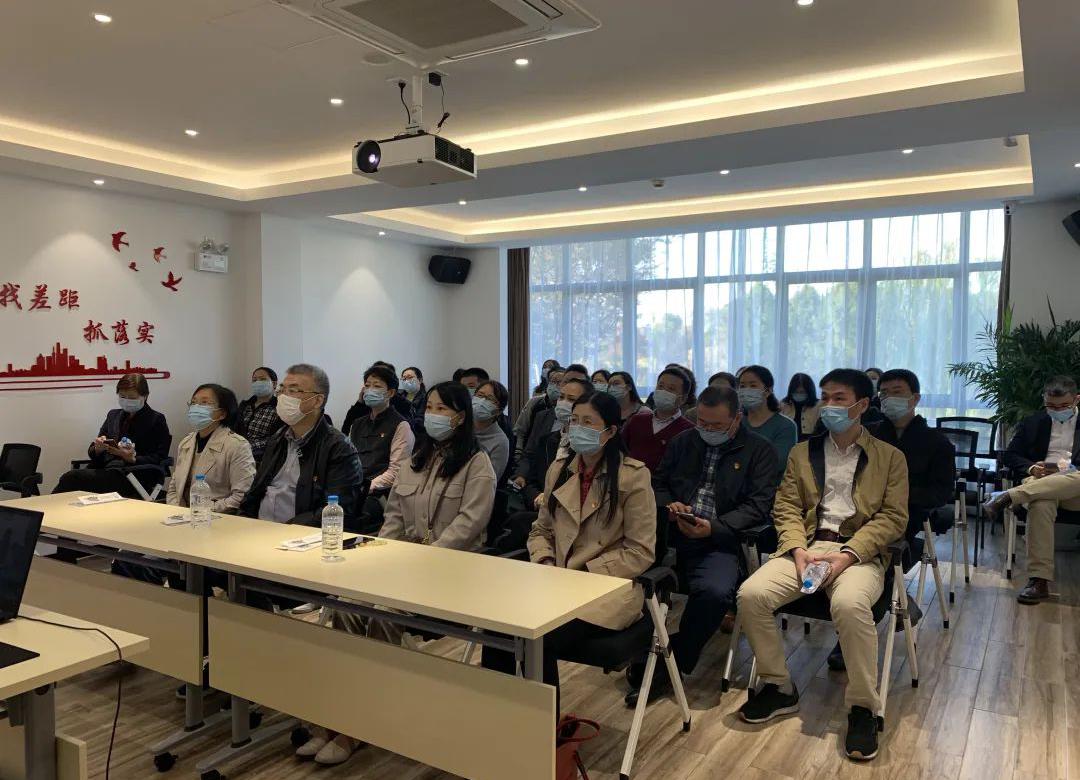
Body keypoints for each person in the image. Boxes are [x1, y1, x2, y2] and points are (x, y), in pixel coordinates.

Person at [735, 369, 908, 762]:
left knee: (849, 604)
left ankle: (863, 707)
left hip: (858, 553)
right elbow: (786, 506)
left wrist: (846, 555)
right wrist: (797, 550)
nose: (828, 405)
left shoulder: (890, 457)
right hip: (807, 547)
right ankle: (779, 686)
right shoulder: (802, 452)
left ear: (862, 405)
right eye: (825, 397)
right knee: (751, 595)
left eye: (839, 398)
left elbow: (893, 518)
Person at [481, 392, 656, 713]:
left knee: (538, 637)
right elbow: (541, 530)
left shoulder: (633, 476)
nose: (577, 428)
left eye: (588, 422)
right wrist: (546, 561)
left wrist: (584, 574)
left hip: (605, 589)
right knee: (497, 627)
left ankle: (543, 730)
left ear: (611, 431)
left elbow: (640, 551)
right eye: (574, 421)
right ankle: (498, 717)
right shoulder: (560, 469)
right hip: (553, 581)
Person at [625, 386, 778, 705]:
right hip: (670, 531)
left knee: (714, 592)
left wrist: (715, 528)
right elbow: (657, 484)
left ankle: (671, 663)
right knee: (629, 576)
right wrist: (671, 504)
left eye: (716, 425)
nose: (707, 430)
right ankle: (641, 652)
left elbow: (758, 506)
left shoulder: (759, 451)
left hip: (719, 539)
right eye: (702, 423)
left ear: (736, 419)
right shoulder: (684, 441)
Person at [983, 375, 1080, 604]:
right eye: (1051, 406)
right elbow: (1010, 455)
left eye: (1063, 406)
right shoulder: (1034, 422)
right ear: (1044, 400)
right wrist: (1032, 468)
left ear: (1077, 400)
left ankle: (1008, 496)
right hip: (1039, 483)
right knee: (1041, 504)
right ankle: (1039, 580)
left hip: (1075, 489)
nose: (1057, 411)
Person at [239, 364, 363, 526]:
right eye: (282, 390)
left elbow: (336, 510)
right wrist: (242, 520)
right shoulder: (277, 439)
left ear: (317, 400)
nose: (283, 397)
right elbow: (255, 492)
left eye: (293, 390)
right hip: (259, 528)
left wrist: (287, 529)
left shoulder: (338, 447)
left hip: (299, 533)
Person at [379, 381, 497, 550]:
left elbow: (470, 522)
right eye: (429, 407)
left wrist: (431, 553)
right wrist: (383, 550)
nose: (432, 414)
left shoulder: (477, 462)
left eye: (441, 409)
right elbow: (394, 516)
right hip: (410, 554)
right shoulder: (415, 459)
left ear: (461, 417)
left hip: (455, 557)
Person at [496, 379, 594, 552]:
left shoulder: (587, 446)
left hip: (570, 516)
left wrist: (550, 500)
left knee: (519, 524)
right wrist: (536, 497)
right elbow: (530, 479)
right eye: (561, 397)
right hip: (541, 512)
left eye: (571, 399)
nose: (563, 402)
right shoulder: (548, 441)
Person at [873, 369, 955, 560]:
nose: (889, 398)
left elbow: (941, 492)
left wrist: (896, 497)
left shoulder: (938, 443)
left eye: (897, 392)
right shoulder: (869, 435)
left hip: (910, 510)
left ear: (915, 398)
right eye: (884, 394)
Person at [54, 373, 172, 496]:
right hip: (106, 470)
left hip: (134, 476)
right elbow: (93, 451)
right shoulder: (113, 416)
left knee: (72, 478)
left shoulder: (156, 419)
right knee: (71, 483)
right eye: (122, 396)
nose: (127, 401)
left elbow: (160, 456)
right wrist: (98, 448)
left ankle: (46, 506)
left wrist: (133, 459)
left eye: (132, 398)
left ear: (145, 396)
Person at [167, 384, 255, 513]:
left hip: (218, 517)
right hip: (181, 515)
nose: (196, 407)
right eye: (193, 403)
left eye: (204, 403)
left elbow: (240, 496)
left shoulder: (237, 445)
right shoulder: (186, 442)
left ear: (222, 413)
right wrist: (175, 510)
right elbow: (174, 487)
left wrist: (201, 512)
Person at [348, 364, 415, 533]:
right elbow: (346, 461)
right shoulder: (357, 424)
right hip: (353, 489)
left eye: (377, 386)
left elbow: (396, 471)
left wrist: (366, 488)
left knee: (351, 516)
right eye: (367, 385)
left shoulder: (401, 425)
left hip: (381, 495)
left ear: (390, 393)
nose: (370, 390)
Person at [513, 364, 589, 486]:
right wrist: (521, 475)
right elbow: (530, 452)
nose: (571, 386)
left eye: (577, 382)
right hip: (539, 483)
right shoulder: (542, 416)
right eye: (566, 381)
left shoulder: (588, 431)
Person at [622, 367, 695, 472]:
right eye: (660, 386)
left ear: (683, 399)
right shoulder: (637, 420)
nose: (663, 391)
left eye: (671, 389)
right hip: (629, 479)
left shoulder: (689, 431)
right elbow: (620, 450)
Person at [737, 365, 798, 476]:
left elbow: (776, 463)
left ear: (768, 391)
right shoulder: (736, 422)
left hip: (769, 484)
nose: (746, 390)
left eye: (753, 385)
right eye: (742, 386)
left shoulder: (785, 426)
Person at [514, 367, 565, 466]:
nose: (554, 385)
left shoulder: (567, 411)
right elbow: (520, 432)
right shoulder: (536, 404)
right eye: (552, 382)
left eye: (559, 382)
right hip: (531, 459)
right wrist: (518, 456)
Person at [235, 367, 285, 463]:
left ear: (274, 384)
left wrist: (247, 447)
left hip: (260, 458)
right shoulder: (245, 405)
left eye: (262, 379)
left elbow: (276, 439)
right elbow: (234, 429)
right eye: (254, 380)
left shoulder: (279, 407)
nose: (258, 382)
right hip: (236, 452)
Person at [473, 380, 511, 481]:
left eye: (490, 399)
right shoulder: (459, 427)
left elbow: (490, 480)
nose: (482, 401)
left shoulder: (500, 442)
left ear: (499, 411)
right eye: (480, 395)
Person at [780, 372, 820, 441]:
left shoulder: (819, 405)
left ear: (809, 391)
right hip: (787, 441)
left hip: (811, 442)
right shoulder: (783, 404)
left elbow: (821, 432)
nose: (798, 394)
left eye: (802, 392)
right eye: (795, 392)